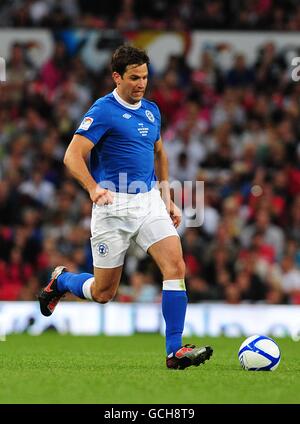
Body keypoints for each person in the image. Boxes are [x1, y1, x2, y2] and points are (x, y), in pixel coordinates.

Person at [38, 45, 213, 370]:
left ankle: (174, 351)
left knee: (175, 266)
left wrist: (167, 196)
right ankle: (61, 281)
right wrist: (92, 187)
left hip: (147, 202)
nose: (141, 83)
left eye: (145, 76)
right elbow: (72, 156)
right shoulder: (103, 110)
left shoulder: (151, 111)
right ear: (117, 77)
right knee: (104, 292)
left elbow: (159, 153)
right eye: (134, 77)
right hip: (112, 207)